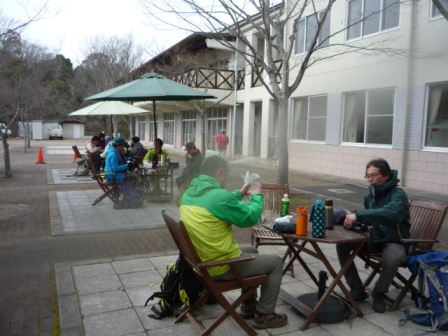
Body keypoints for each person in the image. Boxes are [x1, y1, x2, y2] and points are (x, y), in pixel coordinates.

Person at [179, 156, 287, 329]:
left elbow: (218, 200)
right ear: (219, 173)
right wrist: (257, 195)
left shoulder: (189, 194)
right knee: (276, 263)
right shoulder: (218, 197)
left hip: (201, 264)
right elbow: (250, 218)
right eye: (226, 176)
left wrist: (240, 192)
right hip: (220, 266)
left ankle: (248, 305)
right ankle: (265, 315)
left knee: (252, 250)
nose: (226, 180)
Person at [336, 158, 410, 313]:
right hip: (374, 237)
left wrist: (359, 215)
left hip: (394, 240)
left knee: (392, 258)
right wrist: (355, 220)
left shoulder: (398, 195)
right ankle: (357, 289)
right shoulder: (371, 194)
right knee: (342, 244)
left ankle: (379, 293)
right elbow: (372, 217)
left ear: (386, 175)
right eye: (368, 175)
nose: (370, 178)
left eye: (374, 175)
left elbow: (391, 214)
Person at [105, 137, 142, 209]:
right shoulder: (113, 154)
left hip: (114, 174)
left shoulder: (114, 152)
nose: (123, 148)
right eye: (123, 146)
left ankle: (130, 197)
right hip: (112, 176)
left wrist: (129, 159)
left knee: (132, 177)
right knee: (132, 178)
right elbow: (115, 168)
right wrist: (127, 165)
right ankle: (130, 197)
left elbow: (120, 160)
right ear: (120, 146)